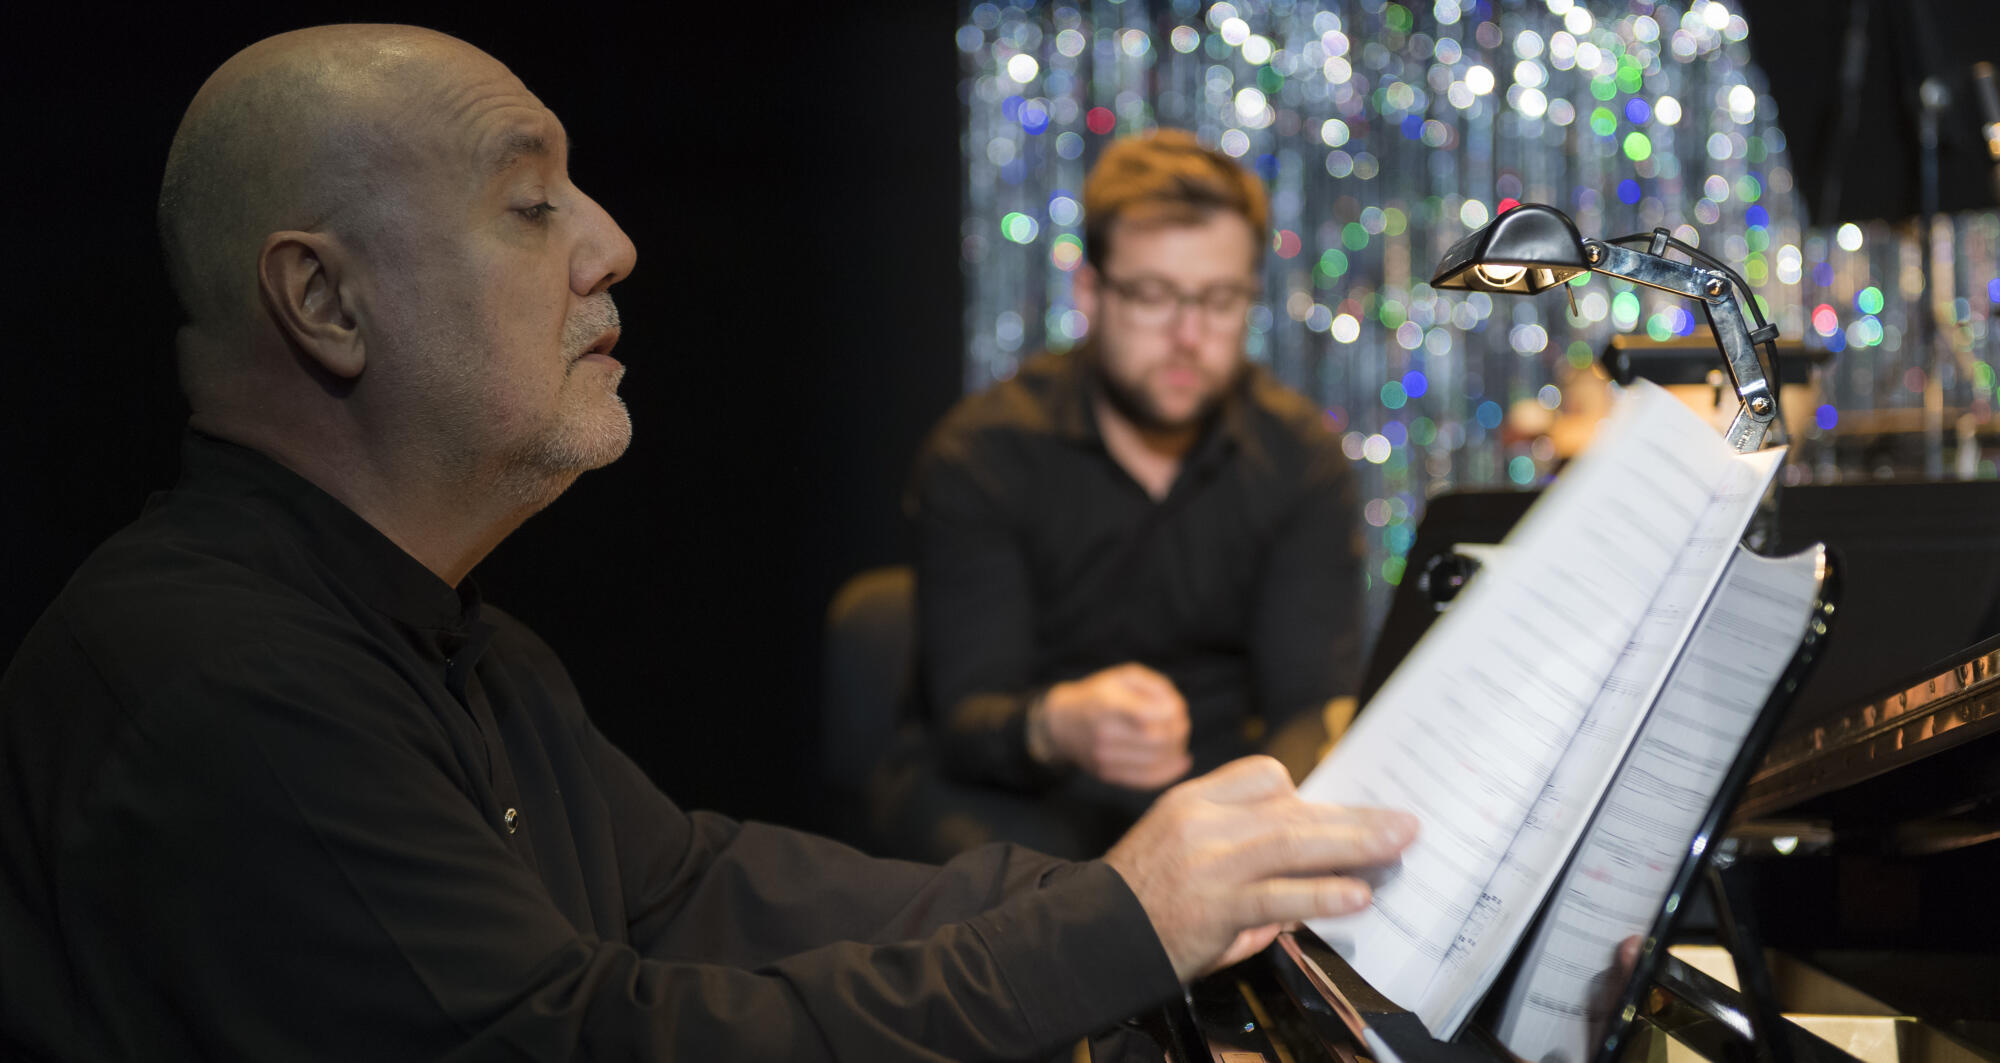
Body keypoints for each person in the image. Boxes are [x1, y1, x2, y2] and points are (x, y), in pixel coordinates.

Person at [0, 25, 1417, 1061]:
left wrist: (1138, 897)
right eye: (531, 203)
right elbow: (585, 1038)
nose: (613, 242)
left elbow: (693, 887)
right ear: (325, 302)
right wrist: (1114, 925)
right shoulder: (220, 677)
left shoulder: (470, 646)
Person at [884, 130, 1366, 861]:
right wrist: (1058, 724)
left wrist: (1258, 836)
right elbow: (965, 719)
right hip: (1021, 803)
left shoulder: (1299, 457)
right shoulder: (984, 452)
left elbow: (1309, 706)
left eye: (1220, 299)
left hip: (1220, 804)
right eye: (1153, 296)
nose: (1188, 335)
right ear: (1091, 292)